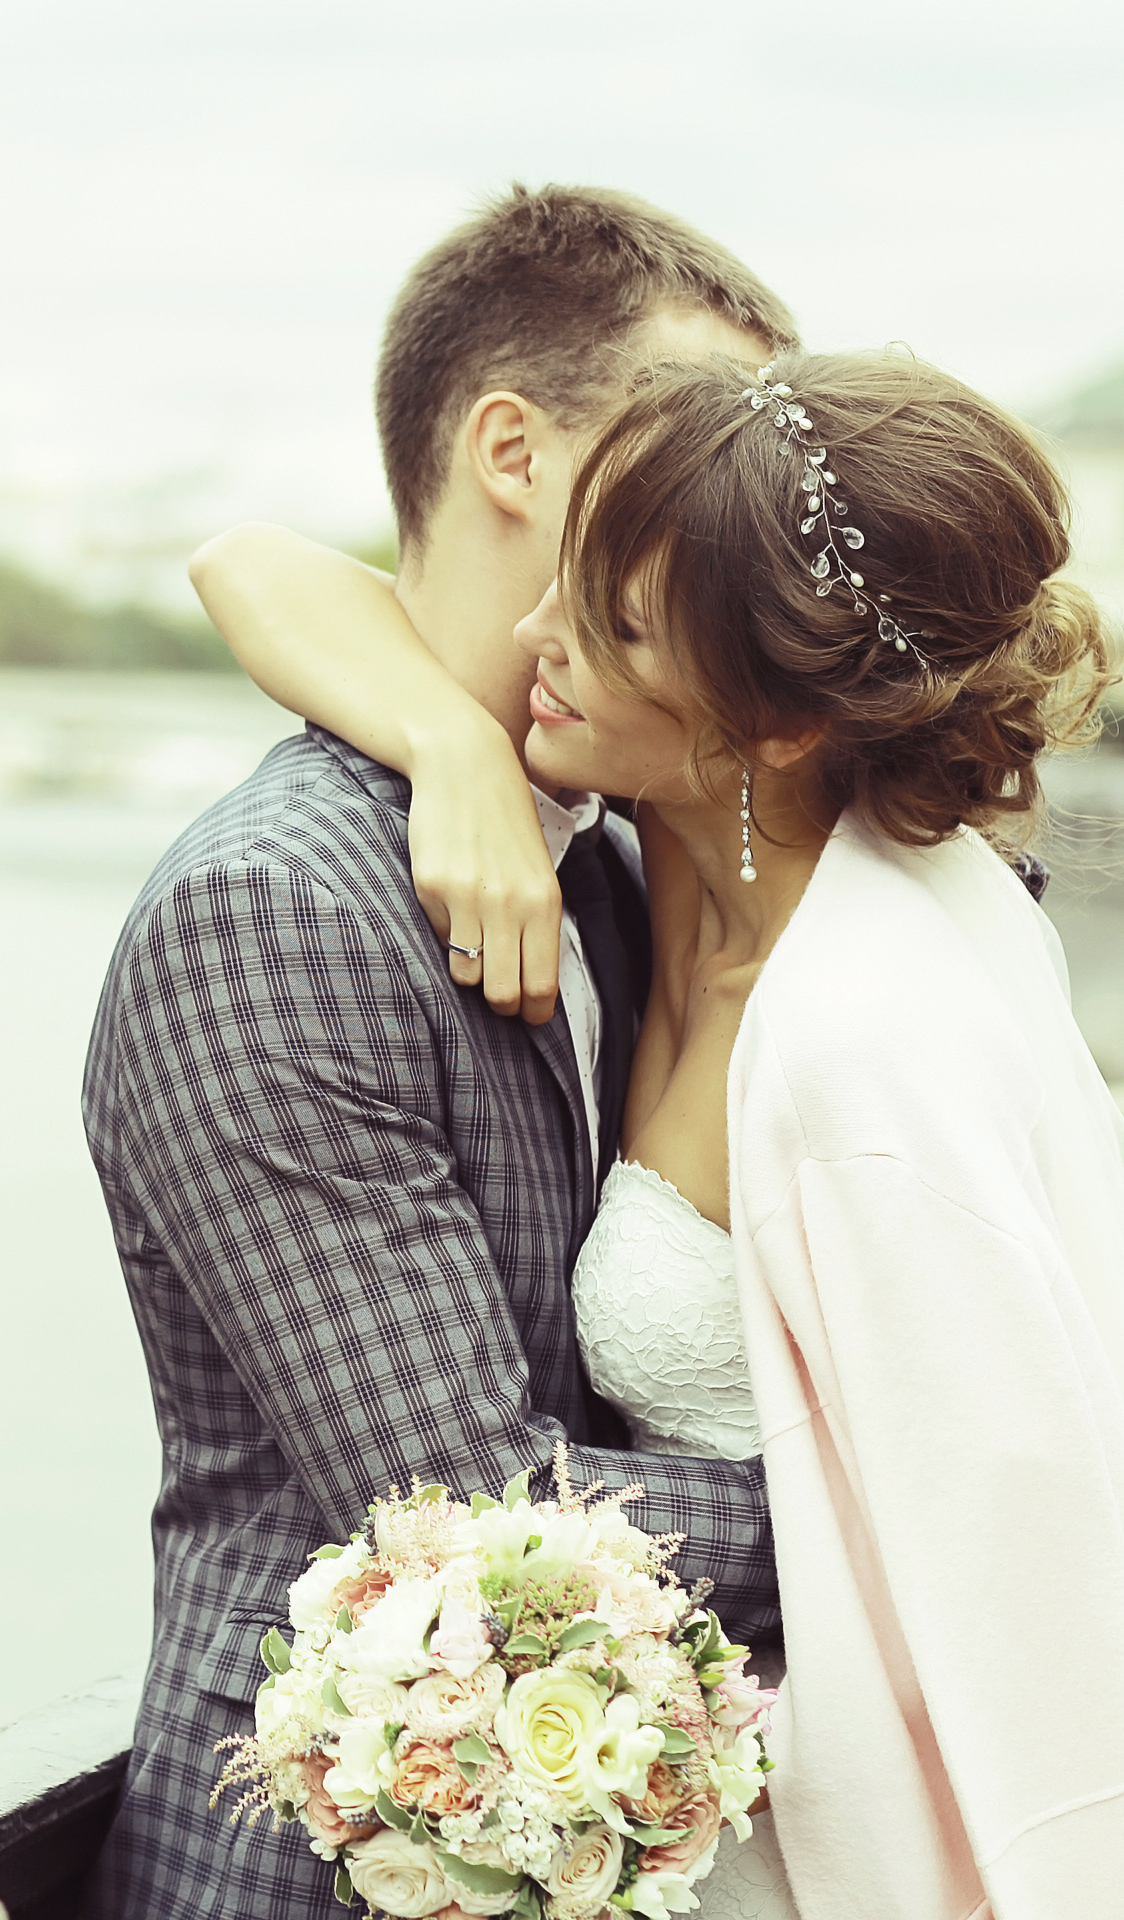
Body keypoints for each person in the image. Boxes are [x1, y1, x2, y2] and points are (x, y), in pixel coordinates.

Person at [199, 348, 1124, 1917]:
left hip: (839, 1839)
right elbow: (255, 564)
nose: (538, 639)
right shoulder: (661, 885)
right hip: (718, 1810)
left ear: (780, 723)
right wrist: (449, 745)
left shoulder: (864, 1039)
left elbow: (1025, 1572)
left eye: (615, 622)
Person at [80, 185, 798, 1920]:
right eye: (694, 444)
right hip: (316, 1874)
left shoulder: (629, 857)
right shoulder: (281, 914)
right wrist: (921, 1510)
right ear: (512, 452)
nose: (738, 512)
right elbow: (475, 1520)